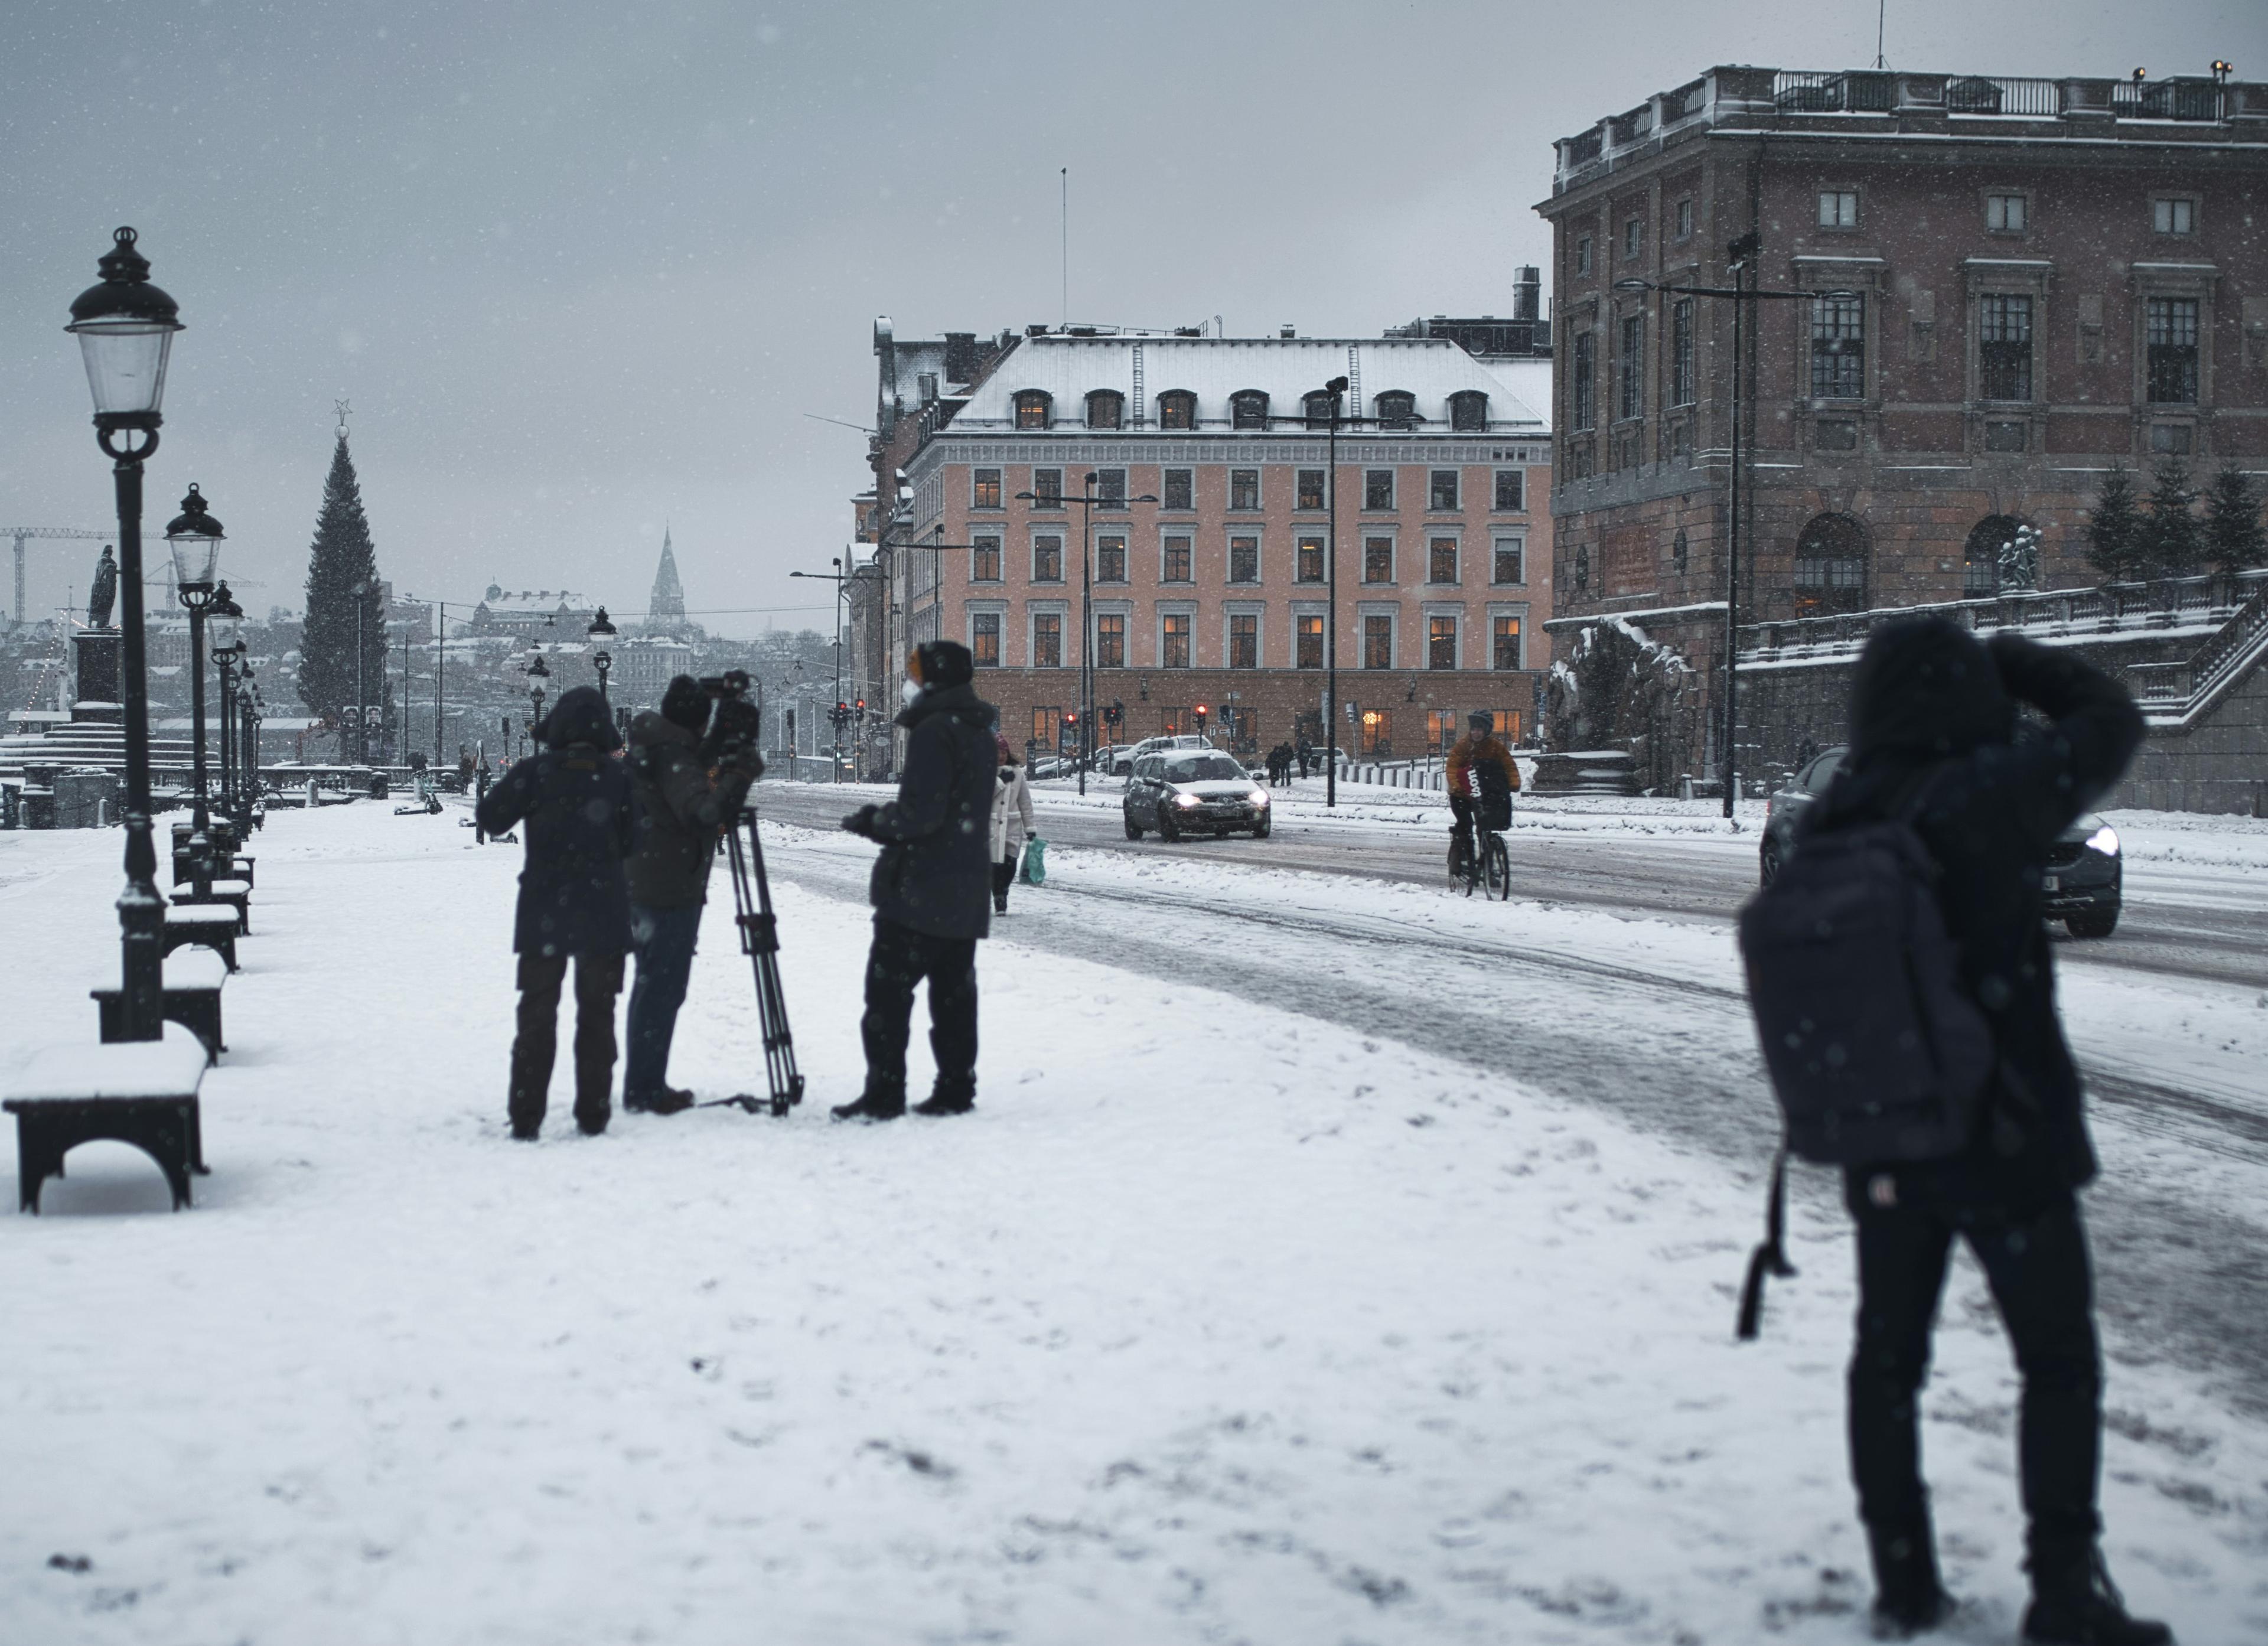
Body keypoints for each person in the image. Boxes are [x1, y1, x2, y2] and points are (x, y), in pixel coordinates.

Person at [1800, 620, 2160, 1645]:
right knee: (2055, 1360)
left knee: (1887, 1364)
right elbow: (2113, 720)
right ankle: (2063, 1588)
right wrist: (2018, 658)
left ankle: (1905, 1578)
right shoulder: (1991, 791)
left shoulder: (1840, 812)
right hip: (2009, 1137)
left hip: (1891, 1138)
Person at [835, 640, 996, 1121]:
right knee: (953, 997)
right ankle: (955, 1088)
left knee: (887, 995)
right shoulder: (979, 730)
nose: (909, 681)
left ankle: (884, 1093)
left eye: (915, 672)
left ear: (933, 679)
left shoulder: (934, 730)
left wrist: (873, 821)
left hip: (922, 888)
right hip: (965, 886)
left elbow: (920, 815)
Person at [475, 685, 636, 1140]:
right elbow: (632, 841)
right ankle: (593, 1110)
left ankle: (527, 1114)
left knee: (537, 1015)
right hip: (603, 909)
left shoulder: (535, 773)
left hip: (545, 908)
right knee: (598, 1015)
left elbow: (490, 818)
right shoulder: (617, 778)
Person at [620, 676, 762, 1114]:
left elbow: (688, 768)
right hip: (668, 887)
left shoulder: (657, 744)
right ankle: (645, 1089)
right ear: (696, 722)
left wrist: (717, 726)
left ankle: (644, 1083)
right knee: (662, 988)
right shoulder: (672, 756)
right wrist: (738, 774)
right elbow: (704, 812)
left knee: (652, 986)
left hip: (649, 881)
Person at [1443, 711, 1518, 874]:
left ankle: (1488, 867)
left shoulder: (1496, 747)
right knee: (1466, 826)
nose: (1476, 733)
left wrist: (1513, 783)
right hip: (1462, 795)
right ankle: (1461, 860)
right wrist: (1456, 785)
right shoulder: (1463, 746)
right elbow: (1452, 768)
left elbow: (1509, 765)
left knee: (1485, 827)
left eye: (1480, 729)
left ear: (1487, 731)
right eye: (1474, 729)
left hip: (1483, 794)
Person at [989, 733, 1034, 915]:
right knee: (995, 866)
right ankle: (999, 896)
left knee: (1010, 865)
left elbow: (1025, 802)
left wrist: (1030, 828)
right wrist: (1000, 782)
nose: (1001, 756)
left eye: (1004, 752)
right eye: (998, 752)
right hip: (990, 828)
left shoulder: (1018, 773)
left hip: (1013, 827)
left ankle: (1004, 889)